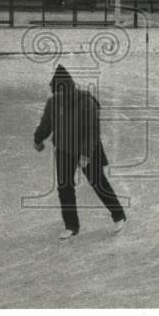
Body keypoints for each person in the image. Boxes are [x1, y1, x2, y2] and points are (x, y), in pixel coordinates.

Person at [33, 64, 126, 239]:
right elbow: (46, 124)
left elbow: (92, 132)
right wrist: (38, 139)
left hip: (88, 148)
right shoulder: (53, 103)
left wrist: (85, 154)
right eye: (55, 91)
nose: (56, 94)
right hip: (63, 148)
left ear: (68, 88)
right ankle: (71, 226)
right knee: (64, 187)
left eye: (60, 91)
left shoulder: (86, 102)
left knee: (98, 183)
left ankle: (119, 215)